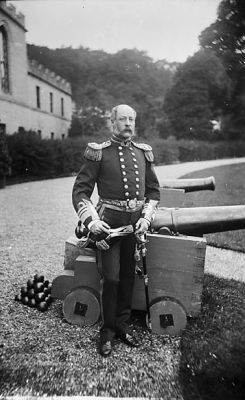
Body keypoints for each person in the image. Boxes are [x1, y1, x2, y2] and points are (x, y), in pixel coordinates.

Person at [72, 104, 160, 357]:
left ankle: (122, 326)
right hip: (108, 228)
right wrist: (90, 221)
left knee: (128, 278)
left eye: (132, 119)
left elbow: (153, 191)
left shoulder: (143, 153)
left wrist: (146, 217)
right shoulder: (99, 153)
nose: (128, 124)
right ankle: (107, 332)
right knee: (111, 278)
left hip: (135, 227)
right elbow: (80, 191)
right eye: (123, 119)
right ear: (112, 122)